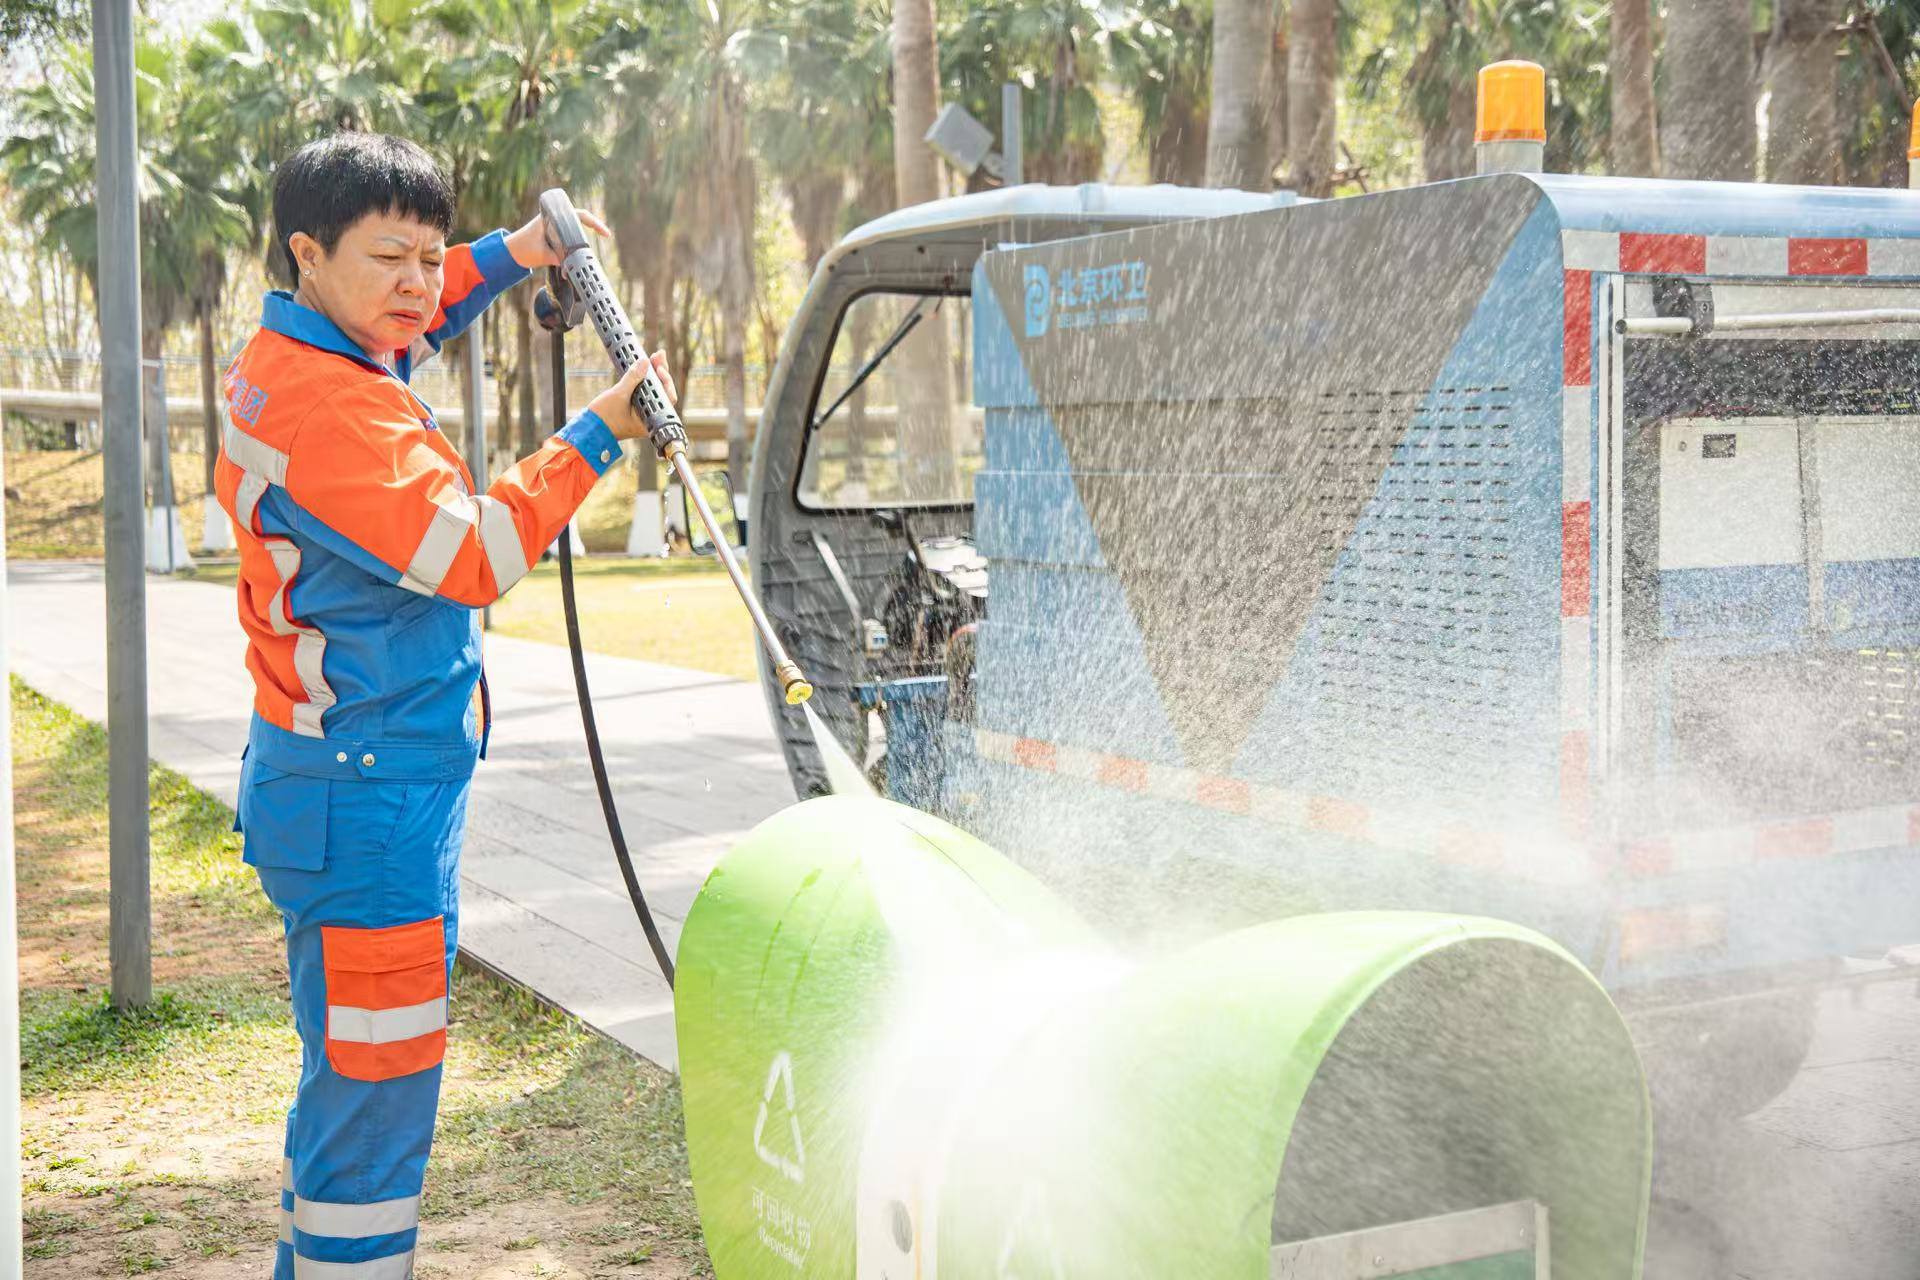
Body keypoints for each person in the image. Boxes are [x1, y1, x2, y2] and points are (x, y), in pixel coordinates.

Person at [215, 131, 671, 1280]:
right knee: (374, 1090)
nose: (420, 285)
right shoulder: (333, 409)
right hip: (368, 805)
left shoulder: (302, 349)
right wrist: (598, 434)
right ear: (308, 251)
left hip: (346, 784)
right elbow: (473, 553)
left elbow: (419, 310)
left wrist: (510, 255)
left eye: (432, 255)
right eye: (392, 259)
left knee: (355, 1072)